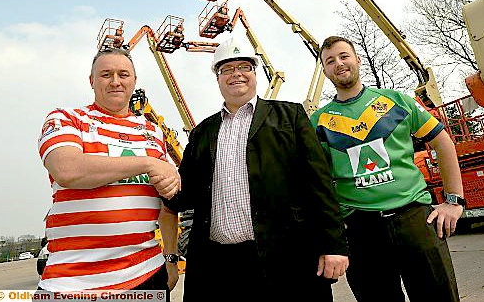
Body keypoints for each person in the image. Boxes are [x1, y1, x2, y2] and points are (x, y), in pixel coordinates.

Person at [157, 37, 349, 302]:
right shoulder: (203, 131)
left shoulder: (290, 117)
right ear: (218, 78)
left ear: (255, 73)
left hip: (286, 260)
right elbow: (184, 195)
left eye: (244, 67)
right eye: (227, 69)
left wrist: (333, 244)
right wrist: (158, 172)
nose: (236, 74)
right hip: (220, 266)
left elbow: (319, 184)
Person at [310, 35, 465, 302]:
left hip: (415, 218)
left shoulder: (397, 101)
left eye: (344, 56)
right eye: (330, 61)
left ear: (357, 60)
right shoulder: (318, 122)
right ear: (324, 71)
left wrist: (454, 201)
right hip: (359, 231)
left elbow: (443, 143)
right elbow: (315, 181)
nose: (339, 64)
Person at [37, 48, 181, 295]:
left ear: (134, 81)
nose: (115, 81)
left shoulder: (153, 132)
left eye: (123, 74)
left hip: (146, 275)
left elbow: (167, 206)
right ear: (92, 81)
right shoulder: (67, 119)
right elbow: (67, 169)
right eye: (106, 74)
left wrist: (170, 257)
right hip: (72, 283)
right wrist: (147, 163)